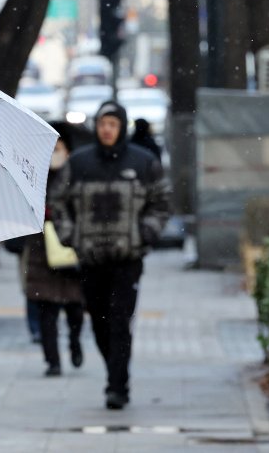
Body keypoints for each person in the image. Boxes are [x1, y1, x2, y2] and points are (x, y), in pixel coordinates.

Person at [51, 101, 169, 410]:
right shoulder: (78, 163)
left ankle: (118, 386)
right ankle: (114, 372)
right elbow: (57, 203)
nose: (107, 129)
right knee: (99, 324)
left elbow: (162, 202)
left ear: (121, 127)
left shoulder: (142, 163)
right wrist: (70, 236)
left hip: (127, 260)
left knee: (119, 323)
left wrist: (145, 234)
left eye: (113, 124)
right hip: (90, 259)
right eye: (103, 123)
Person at [22, 123, 85, 377]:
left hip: (70, 248)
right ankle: (53, 361)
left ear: (68, 151)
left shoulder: (78, 177)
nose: (54, 154)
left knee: (75, 308)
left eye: (58, 149)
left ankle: (75, 342)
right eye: (51, 150)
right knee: (47, 310)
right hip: (41, 253)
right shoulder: (35, 178)